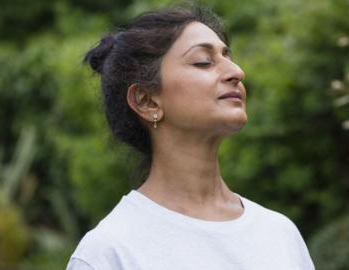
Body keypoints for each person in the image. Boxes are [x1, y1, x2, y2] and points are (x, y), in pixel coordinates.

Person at [66, 5, 315, 270]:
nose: (237, 72)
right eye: (203, 62)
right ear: (147, 101)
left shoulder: (279, 234)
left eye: (228, 56)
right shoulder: (109, 252)